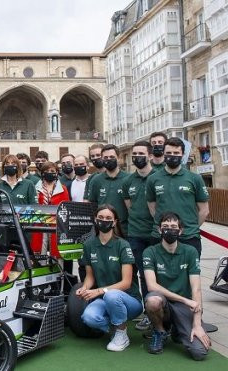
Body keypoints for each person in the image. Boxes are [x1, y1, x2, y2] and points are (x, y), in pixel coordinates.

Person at [143, 212, 210, 360]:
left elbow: (196, 289)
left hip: (184, 308)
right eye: (165, 226)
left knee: (200, 353)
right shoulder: (150, 252)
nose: (169, 230)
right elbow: (152, 286)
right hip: (165, 303)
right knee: (153, 301)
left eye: (174, 227)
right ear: (159, 230)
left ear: (180, 231)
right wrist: (185, 300)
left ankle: (178, 330)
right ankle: (160, 331)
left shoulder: (190, 252)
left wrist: (197, 323)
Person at [77, 204, 142, 352]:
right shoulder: (89, 245)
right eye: (100, 218)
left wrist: (99, 291)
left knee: (111, 295)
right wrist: (84, 288)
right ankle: (117, 328)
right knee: (88, 317)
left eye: (108, 218)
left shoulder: (123, 245)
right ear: (95, 220)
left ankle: (121, 334)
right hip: (105, 298)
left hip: (129, 300)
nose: (104, 221)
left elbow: (126, 283)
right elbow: (90, 276)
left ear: (114, 222)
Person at [146, 137, 209, 256]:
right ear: (164, 154)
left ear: (183, 155)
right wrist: (166, 226)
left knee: (191, 274)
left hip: (189, 237)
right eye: (169, 153)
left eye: (176, 153)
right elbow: (152, 207)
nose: (172, 155)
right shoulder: (153, 179)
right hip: (160, 236)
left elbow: (204, 210)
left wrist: (190, 227)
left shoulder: (195, 178)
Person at [121, 141, 157, 330]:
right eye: (134, 154)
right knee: (140, 274)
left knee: (156, 274)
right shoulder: (128, 181)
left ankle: (159, 311)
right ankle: (146, 313)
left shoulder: (158, 177)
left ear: (150, 156)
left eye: (141, 153)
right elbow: (129, 206)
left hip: (156, 234)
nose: (136, 157)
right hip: (135, 234)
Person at [85, 144, 128, 236]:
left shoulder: (128, 178)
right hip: (102, 229)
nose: (108, 159)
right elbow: (92, 205)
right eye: (105, 157)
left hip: (124, 229)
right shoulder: (96, 180)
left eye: (112, 157)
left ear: (119, 158)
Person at [32, 162, 70, 268]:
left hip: (57, 224)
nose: (50, 173)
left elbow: (66, 207)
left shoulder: (63, 188)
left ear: (57, 173)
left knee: (57, 254)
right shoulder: (35, 188)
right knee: (40, 251)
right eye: (47, 171)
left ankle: (58, 279)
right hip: (40, 223)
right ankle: (39, 275)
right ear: (42, 173)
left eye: (52, 171)